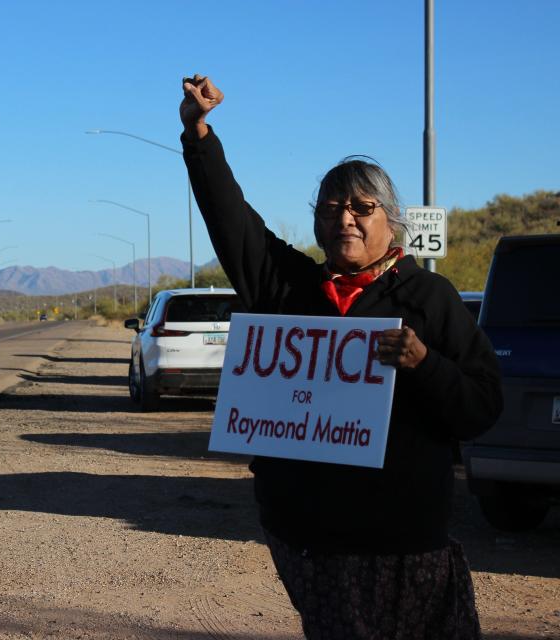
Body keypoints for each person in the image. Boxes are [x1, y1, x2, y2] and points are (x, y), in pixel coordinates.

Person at [179, 75, 503, 639]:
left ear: (390, 219)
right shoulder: (289, 288)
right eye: (331, 209)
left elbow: (482, 406)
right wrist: (199, 132)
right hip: (308, 537)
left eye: (362, 207)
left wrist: (425, 363)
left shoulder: (430, 298)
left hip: (404, 539)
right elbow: (232, 221)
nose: (344, 219)